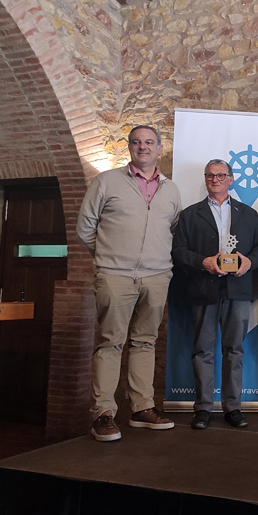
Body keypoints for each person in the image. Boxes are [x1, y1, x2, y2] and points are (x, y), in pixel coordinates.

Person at [77, 125, 181, 442]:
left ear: (159, 147)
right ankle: (104, 414)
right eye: (136, 142)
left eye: (149, 142)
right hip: (114, 275)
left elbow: (173, 230)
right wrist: (110, 259)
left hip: (157, 275)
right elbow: (85, 228)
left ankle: (141, 409)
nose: (143, 147)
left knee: (145, 342)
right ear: (129, 148)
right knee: (110, 343)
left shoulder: (171, 189)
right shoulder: (106, 181)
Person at [171, 159, 258, 430]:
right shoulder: (190, 215)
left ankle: (232, 407)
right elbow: (179, 251)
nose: (215, 179)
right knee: (202, 350)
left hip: (238, 289)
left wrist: (249, 262)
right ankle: (203, 408)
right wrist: (203, 262)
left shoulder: (248, 214)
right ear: (205, 179)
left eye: (221, 175)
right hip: (204, 289)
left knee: (234, 350)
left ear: (231, 179)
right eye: (210, 175)